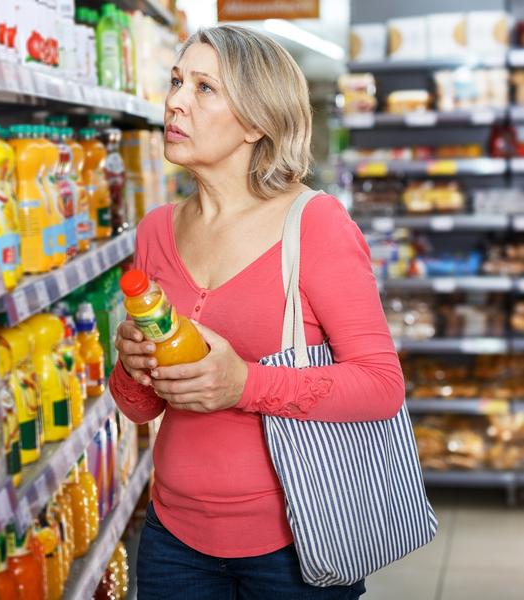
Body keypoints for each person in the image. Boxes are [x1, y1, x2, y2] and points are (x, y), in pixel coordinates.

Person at [109, 25, 405, 599]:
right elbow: (139, 408)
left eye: (203, 88)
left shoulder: (314, 225)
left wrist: (243, 383)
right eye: (176, 81)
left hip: (296, 541)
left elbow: (381, 384)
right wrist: (131, 365)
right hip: (172, 537)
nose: (174, 101)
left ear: (256, 122)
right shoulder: (155, 231)